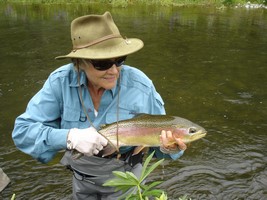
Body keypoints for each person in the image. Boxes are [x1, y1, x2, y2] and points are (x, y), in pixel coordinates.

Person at [12, 12, 187, 199]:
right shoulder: (59, 83)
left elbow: (161, 146)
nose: (114, 71)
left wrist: (169, 149)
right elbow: (22, 132)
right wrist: (69, 137)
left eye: (120, 60)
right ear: (79, 63)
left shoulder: (141, 87)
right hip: (81, 179)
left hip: (127, 180)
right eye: (102, 64)